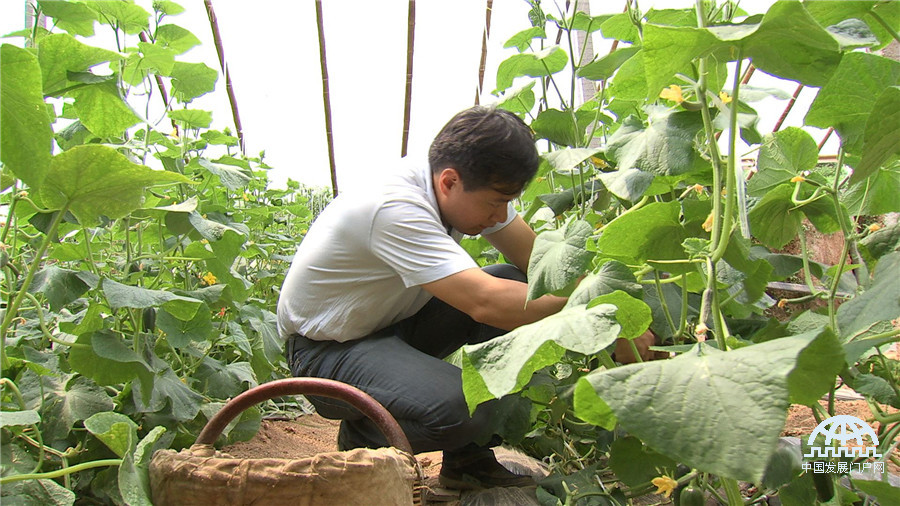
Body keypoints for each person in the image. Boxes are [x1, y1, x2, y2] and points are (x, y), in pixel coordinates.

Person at [278, 106, 638, 490]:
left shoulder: (460, 179)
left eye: (507, 201)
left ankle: (467, 462)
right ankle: (364, 437)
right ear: (449, 181)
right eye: (494, 203)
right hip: (325, 354)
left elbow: (540, 264)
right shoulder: (393, 207)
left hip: (390, 325)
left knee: (514, 279)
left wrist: (608, 301)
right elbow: (485, 302)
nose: (500, 214)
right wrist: (605, 316)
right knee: (466, 409)